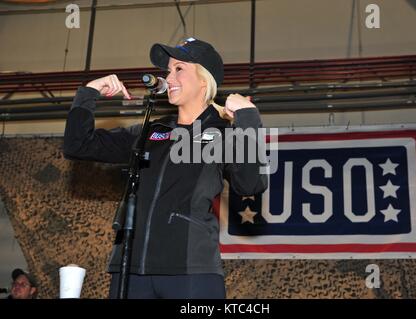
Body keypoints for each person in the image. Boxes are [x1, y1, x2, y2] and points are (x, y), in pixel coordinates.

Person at [63, 37, 267, 299]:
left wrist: (248, 118)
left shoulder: (221, 135)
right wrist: (89, 92)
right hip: (130, 270)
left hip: (190, 272)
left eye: (179, 69)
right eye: (168, 70)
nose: (169, 77)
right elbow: (77, 145)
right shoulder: (151, 131)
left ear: (204, 79)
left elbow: (251, 184)